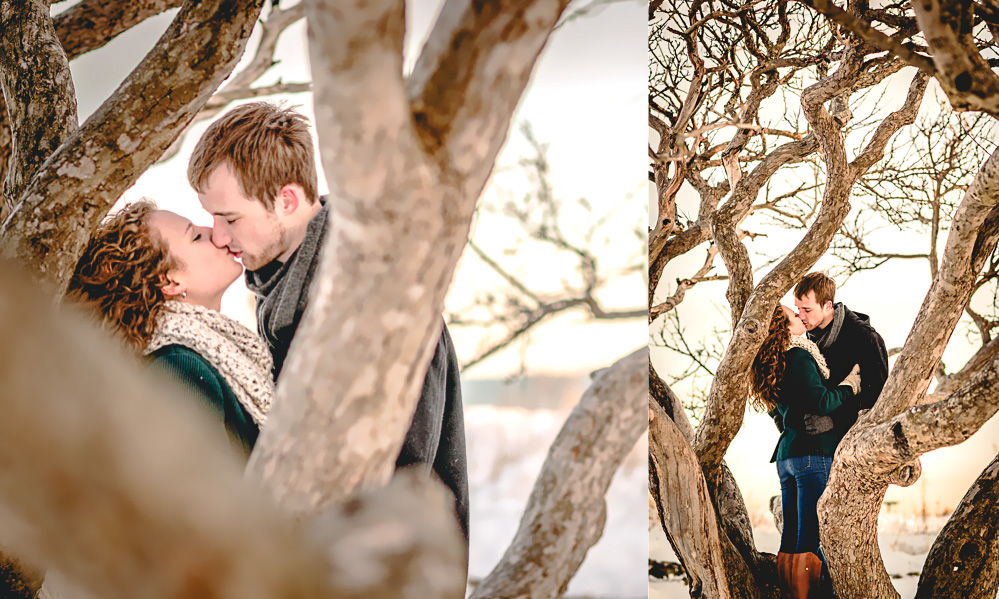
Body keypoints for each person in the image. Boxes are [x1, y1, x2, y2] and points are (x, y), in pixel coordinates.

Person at [187, 102, 470, 546]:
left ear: (287, 200)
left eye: (230, 218)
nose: (219, 236)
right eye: (212, 219)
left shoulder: (369, 298)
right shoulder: (286, 289)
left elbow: (402, 476)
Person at [66, 200, 273, 458]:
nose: (216, 234)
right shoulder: (179, 369)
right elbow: (200, 492)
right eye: (196, 236)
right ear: (169, 281)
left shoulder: (206, 356)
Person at [751, 305, 860, 599]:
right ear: (783, 328)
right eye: (793, 316)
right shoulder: (799, 355)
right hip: (812, 455)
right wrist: (850, 386)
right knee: (809, 538)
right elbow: (821, 402)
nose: (801, 317)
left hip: (788, 458)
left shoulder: (774, 363)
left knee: (792, 539)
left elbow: (782, 411)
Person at [793, 272, 889, 438]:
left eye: (807, 310)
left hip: (856, 441)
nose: (801, 316)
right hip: (816, 445)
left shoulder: (865, 338)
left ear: (827, 306)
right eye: (798, 309)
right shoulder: (806, 341)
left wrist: (834, 420)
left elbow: (878, 397)